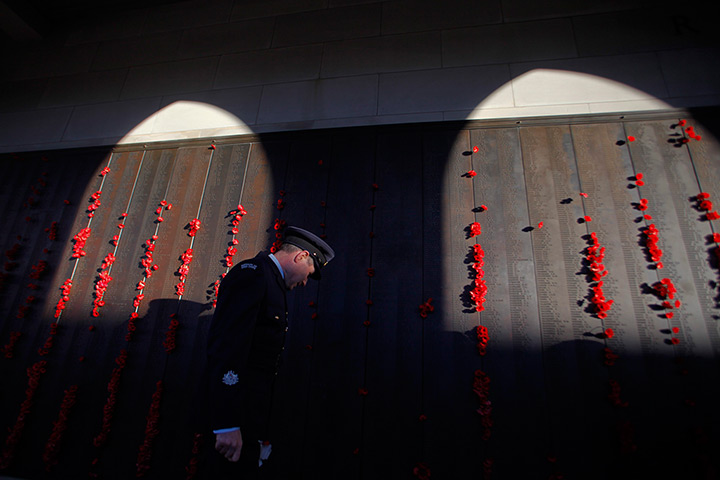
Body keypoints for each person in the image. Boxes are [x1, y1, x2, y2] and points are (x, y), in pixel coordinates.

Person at [197, 226, 334, 478]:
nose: (305, 282)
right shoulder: (254, 275)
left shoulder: (270, 282)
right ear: (301, 256)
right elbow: (229, 346)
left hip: (249, 417)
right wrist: (227, 423)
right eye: (309, 273)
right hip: (235, 420)